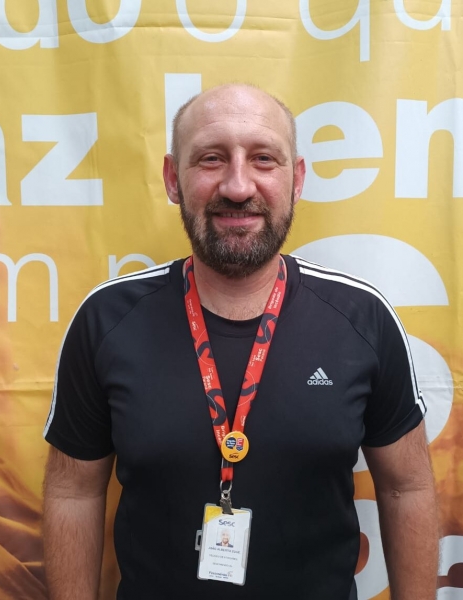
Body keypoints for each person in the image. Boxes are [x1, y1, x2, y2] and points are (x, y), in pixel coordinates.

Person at [42, 83, 439, 599]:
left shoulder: (363, 319)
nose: (236, 185)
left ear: (296, 180)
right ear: (173, 179)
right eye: (211, 158)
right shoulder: (106, 320)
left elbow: (407, 488)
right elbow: (73, 493)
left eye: (263, 159)